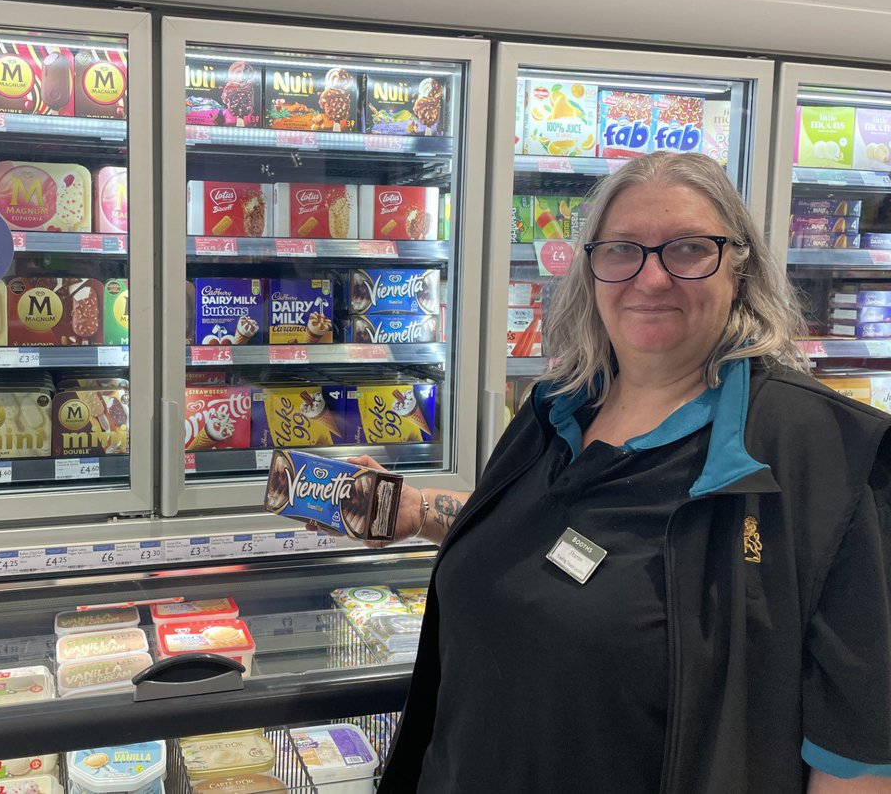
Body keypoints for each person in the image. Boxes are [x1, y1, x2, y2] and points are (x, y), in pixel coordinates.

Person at [365, 151, 891, 793]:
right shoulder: (559, 402)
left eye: (689, 249)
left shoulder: (822, 456)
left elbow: (855, 759)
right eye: (621, 251)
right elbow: (547, 538)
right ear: (590, 269)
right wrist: (420, 510)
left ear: (740, 264)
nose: (651, 279)